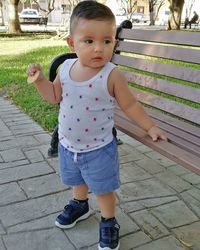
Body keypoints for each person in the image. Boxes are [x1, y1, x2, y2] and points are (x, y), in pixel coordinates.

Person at [27, 1, 167, 249]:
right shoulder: (67, 68)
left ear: (114, 42)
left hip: (99, 148)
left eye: (107, 41)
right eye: (89, 41)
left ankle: (108, 220)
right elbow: (54, 97)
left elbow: (131, 106)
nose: (99, 48)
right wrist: (40, 81)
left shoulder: (112, 74)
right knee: (77, 181)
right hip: (69, 146)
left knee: (103, 189)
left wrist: (150, 127)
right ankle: (80, 205)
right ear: (72, 44)